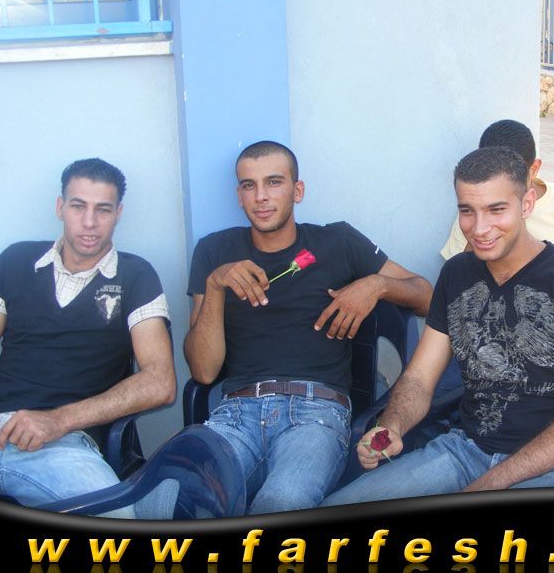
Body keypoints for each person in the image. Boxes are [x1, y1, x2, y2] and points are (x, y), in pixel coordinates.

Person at [322, 146, 554, 507]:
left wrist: (488, 485)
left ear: (527, 204)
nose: (479, 228)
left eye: (497, 210)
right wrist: (392, 426)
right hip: (467, 451)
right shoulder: (457, 274)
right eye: (467, 211)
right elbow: (420, 378)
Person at [184, 140, 432, 515]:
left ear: (297, 190)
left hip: (315, 413)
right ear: (239, 195)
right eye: (249, 185)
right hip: (235, 414)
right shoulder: (214, 252)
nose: (261, 196)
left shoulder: (338, 241)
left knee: (282, 502)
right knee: (183, 498)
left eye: (274, 182)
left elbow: (427, 296)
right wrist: (216, 285)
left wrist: (377, 285)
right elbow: (203, 371)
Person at [0, 158, 176, 515]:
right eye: (78, 206)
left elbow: (161, 382)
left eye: (103, 209)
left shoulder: (135, 275)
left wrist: (57, 421)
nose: (89, 222)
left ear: (118, 213)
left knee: (118, 521)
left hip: (64, 445)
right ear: (60, 207)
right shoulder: (16, 260)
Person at [440, 119, 554, 274]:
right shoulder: (474, 217)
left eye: (497, 209)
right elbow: (457, 280)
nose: (482, 225)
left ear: (534, 169)